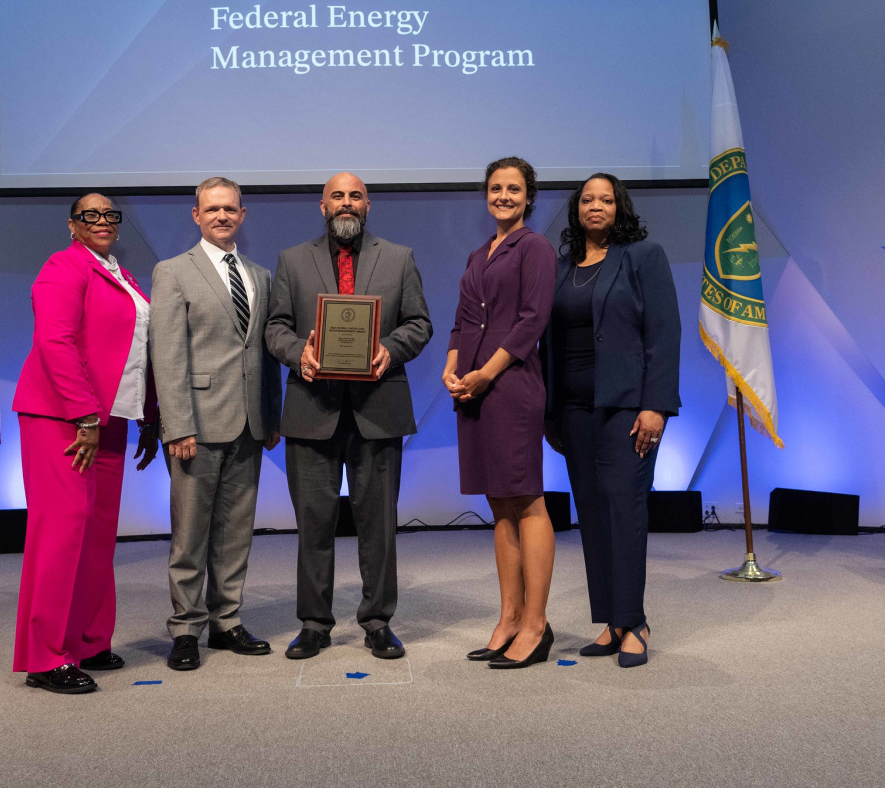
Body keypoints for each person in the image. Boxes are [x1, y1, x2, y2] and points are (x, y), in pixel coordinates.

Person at [265, 172, 432, 660]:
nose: (346, 202)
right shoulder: (292, 260)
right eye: (336, 195)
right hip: (311, 409)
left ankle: (378, 621)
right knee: (313, 525)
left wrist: (390, 349)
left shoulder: (399, 257)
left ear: (368, 205)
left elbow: (419, 323)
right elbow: (275, 327)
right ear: (322, 206)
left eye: (355, 196)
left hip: (378, 410)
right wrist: (299, 353)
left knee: (378, 527)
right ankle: (314, 623)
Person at [12, 193, 159, 694]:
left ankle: (89, 641)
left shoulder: (121, 274)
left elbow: (135, 352)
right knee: (60, 534)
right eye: (89, 215)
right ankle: (45, 657)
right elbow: (56, 342)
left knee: (96, 535)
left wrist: (148, 414)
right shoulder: (63, 267)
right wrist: (84, 416)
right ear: (72, 225)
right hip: (64, 419)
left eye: (109, 214)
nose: (101, 221)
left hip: (110, 419)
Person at [545, 173, 681, 668]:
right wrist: (548, 408)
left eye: (605, 199)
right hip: (572, 409)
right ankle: (611, 621)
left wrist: (656, 405)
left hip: (627, 408)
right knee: (593, 513)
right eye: (587, 199)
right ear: (576, 209)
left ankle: (635, 622)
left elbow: (664, 334)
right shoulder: (561, 267)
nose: (595, 206)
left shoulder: (644, 257)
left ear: (619, 207)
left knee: (625, 510)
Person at [149, 177, 282, 672]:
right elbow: (166, 354)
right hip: (196, 426)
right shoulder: (172, 271)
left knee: (235, 532)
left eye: (230, 209)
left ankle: (227, 622)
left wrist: (271, 414)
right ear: (196, 215)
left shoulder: (260, 275)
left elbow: (265, 354)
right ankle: (186, 628)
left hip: (249, 423)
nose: (222, 216)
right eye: (212, 209)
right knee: (190, 535)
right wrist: (177, 425)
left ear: (242, 215)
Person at [443, 157, 558, 669]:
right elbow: (461, 322)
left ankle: (535, 624)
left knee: (527, 500)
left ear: (528, 196)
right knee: (499, 504)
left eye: (513, 189)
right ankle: (509, 617)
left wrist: (485, 373)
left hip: (511, 387)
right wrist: (452, 369)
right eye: (496, 188)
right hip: (472, 390)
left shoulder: (535, 248)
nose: (503, 196)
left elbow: (533, 321)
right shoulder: (477, 254)